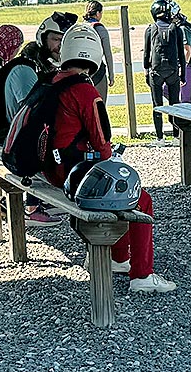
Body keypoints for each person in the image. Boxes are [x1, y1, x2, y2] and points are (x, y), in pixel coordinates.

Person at [39, 24, 177, 293]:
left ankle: (117, 258)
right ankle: (142, 275)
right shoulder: (85, 91)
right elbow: (102, 144)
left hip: (50, 169)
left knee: (116, 193)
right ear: (94, 55)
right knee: (140, 199)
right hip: (72, 173)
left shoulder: (51, 80)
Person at [14, 12, 75, 225]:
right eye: (55, 39)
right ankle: (33, 205)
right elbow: (32, 109)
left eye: (63, 40)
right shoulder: (30, 66)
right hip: (19, 137)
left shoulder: (45, 63)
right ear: (43, 38)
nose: (59, 45)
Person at [141, 0, 183, 139]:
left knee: (157, 105)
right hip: (173, 71)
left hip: (156, 72)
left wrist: (146, 72)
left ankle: (160, 137)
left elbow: (147, 53)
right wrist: (182, 73)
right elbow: (181, 54)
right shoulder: (176, 29)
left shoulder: (150, 29)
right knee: (175, 104)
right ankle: (177, 136)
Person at [82, 0, 115, 100]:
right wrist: (111, 75)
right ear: (97, 13)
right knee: (100, 106)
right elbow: (107, 53)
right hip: (97, 71)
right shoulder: (100, 28)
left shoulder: (80, 27)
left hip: (81, 70)